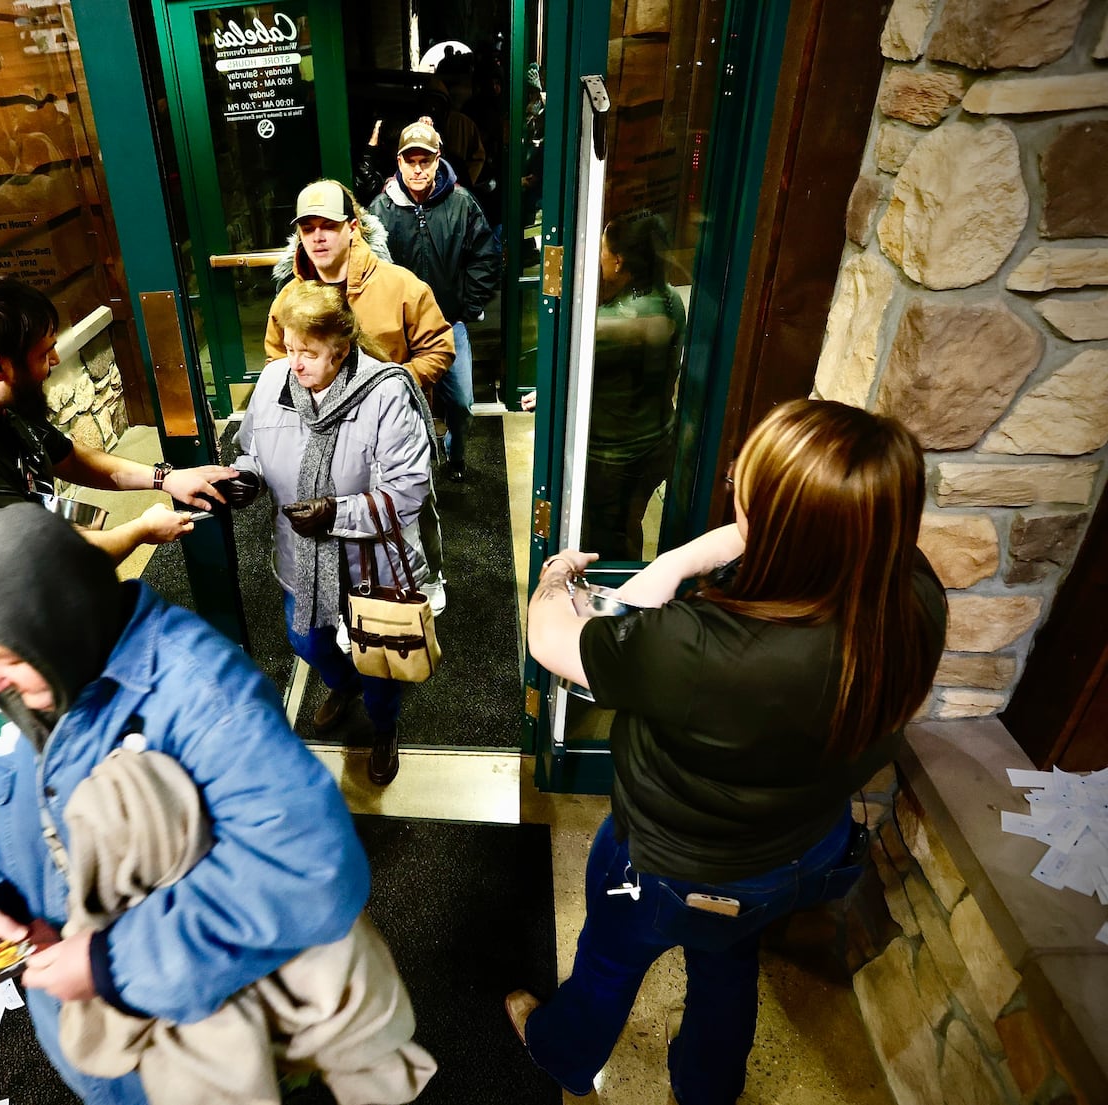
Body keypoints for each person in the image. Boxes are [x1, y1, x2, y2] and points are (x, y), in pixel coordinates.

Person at [507, 399, 948, 1104]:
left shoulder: (701, 646)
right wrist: (710, 546)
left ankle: (562, 1052)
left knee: (608, 964)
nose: (733, 479)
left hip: (665, 861)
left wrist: (556, 578)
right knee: (728, 966)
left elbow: (551, 640)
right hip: (795, 855)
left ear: (780, 526)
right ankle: (707, 1089)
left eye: (747, 486)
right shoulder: (914, 601)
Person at [0, 503, 381, 1104]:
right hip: (80, 1038)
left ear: (62, 626)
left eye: (5, 660)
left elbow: (313, 871)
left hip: (201, 1037)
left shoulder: (201, 691)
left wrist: (115, 963)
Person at [0, 274, 237, 620]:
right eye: (45, 352)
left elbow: (63, 454)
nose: (55, 360)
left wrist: (164, 479)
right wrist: (143, 529)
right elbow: (63, 563)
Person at [236, 281, 435, 786]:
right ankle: (343, 685)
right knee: (307, 643)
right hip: (300, 558)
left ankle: (383, 725)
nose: (293, 363)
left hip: (370, 566)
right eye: (288, 347)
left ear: (341, 349)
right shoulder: (274, 383)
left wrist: (336, 514)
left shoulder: (386, 392)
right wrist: (246, 478)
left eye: (307, 351)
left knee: (380, 660)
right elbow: (252, 450)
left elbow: (408, 491)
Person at [266, 179, 453, 599]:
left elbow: (438, 347)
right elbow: (277, 361)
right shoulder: (290, 300)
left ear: (353, 227)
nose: (317, 236)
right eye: (307, 227)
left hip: (391, 431)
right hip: (321, 434)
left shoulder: (400, 285)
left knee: (412, 507)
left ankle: (429, 576)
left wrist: (394, 391)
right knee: (335, 513)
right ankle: (346, 593)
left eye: (328, 225)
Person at [367, 120, 501, 481]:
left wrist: (467, 305)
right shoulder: (380, 210)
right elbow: (369, 269)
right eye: (410, 161)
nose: (417, 169)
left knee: (461, 402)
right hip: (401, 330)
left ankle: (455, 454)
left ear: (437, 159)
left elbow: (486, 256)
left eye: (425, 161)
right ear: (398, 161)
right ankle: (412, 472)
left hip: (447, 323)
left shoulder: (461, 203)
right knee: (400, 405)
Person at [583, 211, 688, 561]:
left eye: (601, 248)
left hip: (615, 455)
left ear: (618, 261)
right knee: (629, 521)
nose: (598, 255)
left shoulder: (610, 324)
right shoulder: (672, 298)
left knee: (605, 539)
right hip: (657, 440)